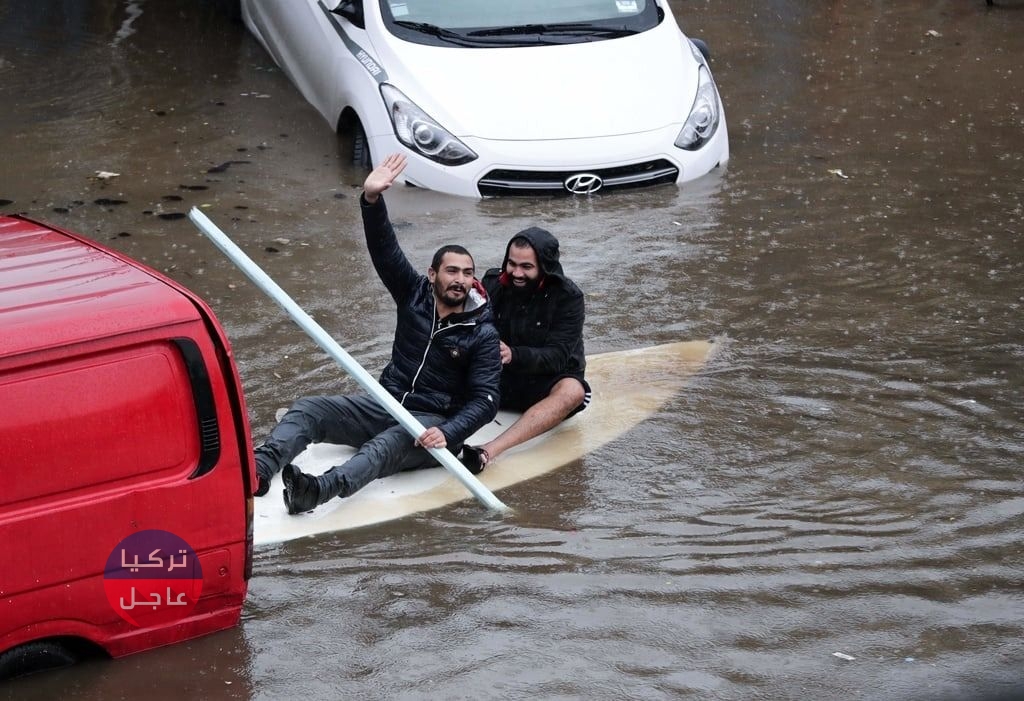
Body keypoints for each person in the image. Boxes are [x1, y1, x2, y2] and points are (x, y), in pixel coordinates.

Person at [253, 153, 501, 514]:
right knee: (310, 409)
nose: (460, 280)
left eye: (467, 273)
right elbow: (385, 251)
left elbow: (486, 400)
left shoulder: (483, 333)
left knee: (383, 447)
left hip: (433, 426)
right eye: (452, 271)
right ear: (432, 275)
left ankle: (316, 491)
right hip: (386, 403)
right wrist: (371, 200)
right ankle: (259, 469)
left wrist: (449, 432)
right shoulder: (413, 294)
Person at [459, 227, 590, 473]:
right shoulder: (491, 284)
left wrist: (513, 354)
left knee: (574, 391)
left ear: (545, 267)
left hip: (544, 382)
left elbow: (557, 357)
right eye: (512, 264)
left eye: (526, 267)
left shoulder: (569, 298)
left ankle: (488, 451)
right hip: (498, 379)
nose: (517, 273)